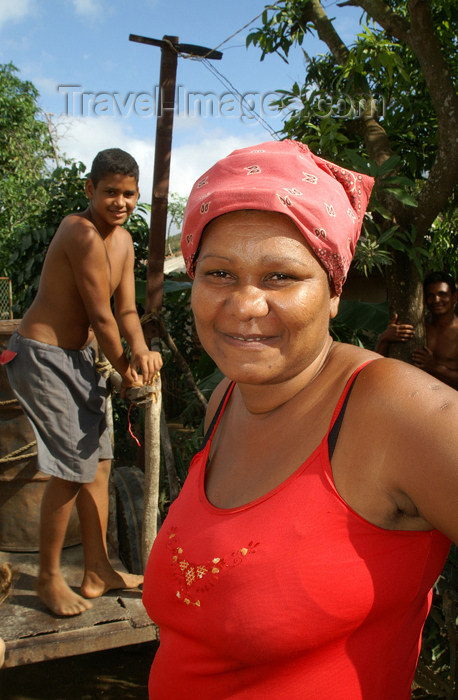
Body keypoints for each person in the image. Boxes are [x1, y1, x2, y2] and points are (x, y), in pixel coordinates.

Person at [141, 140, 458, 699]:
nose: (244, 305)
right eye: (218, 274)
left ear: (333, 291)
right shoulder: (227, 403)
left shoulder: (394, 412)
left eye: (280, 277)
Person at [4, 148, 162, 617]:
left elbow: (128, 312)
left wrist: (141, 353)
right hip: (42, 356)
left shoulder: (125, 241)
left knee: (99, 464)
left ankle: (98, 570)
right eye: (110, 191)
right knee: (71, 468)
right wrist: (126, 369)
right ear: (90, 190)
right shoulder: (81, 233)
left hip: (79, 358)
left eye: (129, 194)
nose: (120, 201)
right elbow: (100, 315)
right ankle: (50, 579)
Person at [376, 271, 458, 389]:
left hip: (450, 402)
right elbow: (378, 363)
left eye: (442, 294)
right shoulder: (417, 326)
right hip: (416, 397)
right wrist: (385, 338)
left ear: (454, 297)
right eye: (431, 295)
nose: (436, 300)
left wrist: (435, 367)